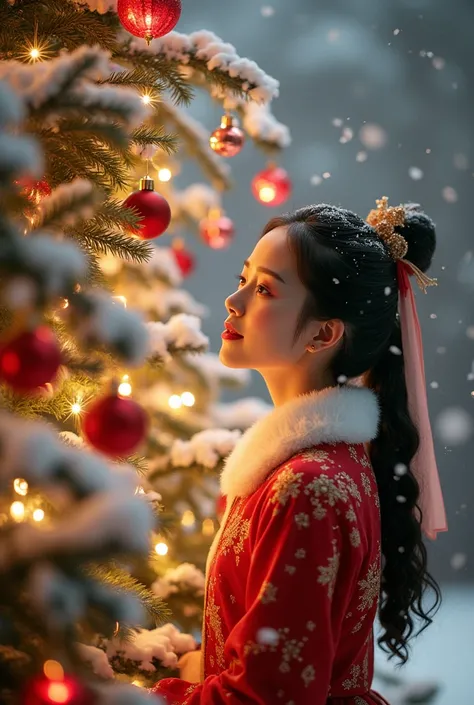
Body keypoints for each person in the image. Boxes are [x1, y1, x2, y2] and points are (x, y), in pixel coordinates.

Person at [151, 198, 448, 705]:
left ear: (324, 333)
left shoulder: (306, 485)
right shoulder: (317, 467)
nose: (234, 300)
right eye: (245, 278)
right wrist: (202, 664)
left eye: (264, 288)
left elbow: (269, 696)